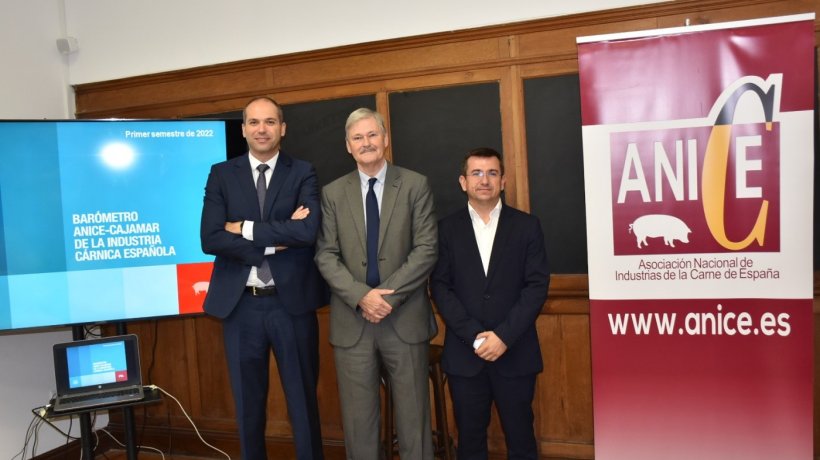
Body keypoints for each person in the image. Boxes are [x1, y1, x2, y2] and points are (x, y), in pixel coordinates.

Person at [200, 96, 326, 460]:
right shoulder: (221, 174)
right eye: (254, 122)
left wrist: (243, 228)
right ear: (243, 129)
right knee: (248, 405)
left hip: (293, 305)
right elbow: (210, 238)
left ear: (282, 128)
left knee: (303, 403)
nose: (262, 129)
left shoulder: (302, 171)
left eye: (270, 122)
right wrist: (271, 244)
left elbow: (307, 232)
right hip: (241, 307)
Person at [315, 107, 438, 459]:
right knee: (359, 424)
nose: (366, 143)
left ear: (385, 139)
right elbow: (325, 254)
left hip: (404, 319)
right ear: (348, 147)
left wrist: (387, 298)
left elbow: (427, 249)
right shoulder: (333, 193)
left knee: (414, 422)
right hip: (352, 322)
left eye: (372, 135)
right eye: (358, 138)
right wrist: (361, 297)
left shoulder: (415, 184)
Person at [430, 147, 550, 460]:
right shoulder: (445, 230)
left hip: (516, 352)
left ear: (504, 181)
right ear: (463, 182)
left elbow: (536, 286)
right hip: (465, 354)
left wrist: (503, 337)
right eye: (477, 173)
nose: (485, 180)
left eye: (492, 173)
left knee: (521, 439)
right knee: (469, 442)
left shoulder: (527, 226)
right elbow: (440, 287)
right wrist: (475, 336)